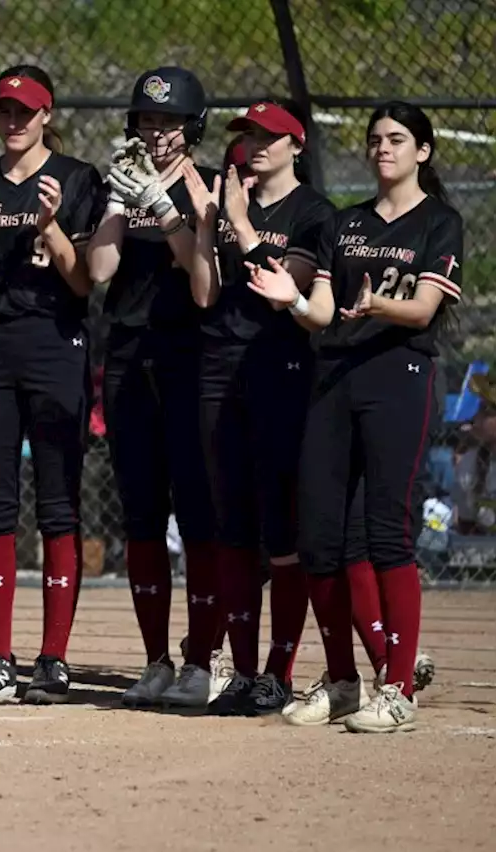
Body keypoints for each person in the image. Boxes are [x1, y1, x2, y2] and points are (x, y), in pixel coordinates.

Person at [248, 101, 462, 733]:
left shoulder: (439, 221)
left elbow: (422, 310)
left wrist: (376, 305)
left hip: (398, 377)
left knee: (386, 535)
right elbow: (322, 312)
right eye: (375, 140)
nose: (382, 149)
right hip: (334, 379)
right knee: (319, 536)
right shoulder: (346, 224)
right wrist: (293, 300)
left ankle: (397, 687)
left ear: (423, 151)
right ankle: (342, 681)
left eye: (397, 139)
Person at [0, 65, 105, 704]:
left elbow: (85, 282)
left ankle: (54, 660)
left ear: (47, 114)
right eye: (4, 111)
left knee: (59, 504)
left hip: (54, 344)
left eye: (25, 111)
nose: (13, 122)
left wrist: (51, 225)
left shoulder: (75, 179)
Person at [179, 100, 336, 715]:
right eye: (248, 135)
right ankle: (243, 670)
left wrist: (241, 226)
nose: (256, 145)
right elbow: (204, 293)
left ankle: (279, 670)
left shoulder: (312, 212)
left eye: (270, 136)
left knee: (281, 526)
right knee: (232, 524)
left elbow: (281, 290)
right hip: (218, 367)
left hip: (278, 370)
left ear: (296, 144)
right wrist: (201, 225)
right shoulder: (225, 203)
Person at [85, 67, 219, 709]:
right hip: (129, 356)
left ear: (192, 126)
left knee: (197, 512)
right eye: (147, 121)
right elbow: (101, 269)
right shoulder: (124, 180)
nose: (156, 134)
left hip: (188, 359)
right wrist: (118, 200)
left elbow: (202, 281)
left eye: (168, 123)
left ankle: (202, 659)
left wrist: (168, 211)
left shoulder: (209, 182)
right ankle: (156, 659)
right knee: (141, 515)